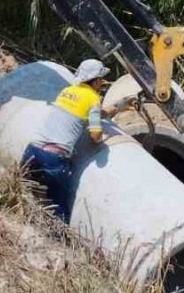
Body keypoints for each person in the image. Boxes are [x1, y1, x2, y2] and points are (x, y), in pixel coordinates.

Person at [20, 59, 132, 222]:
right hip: (54, 159)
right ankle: (57, 241)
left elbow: (86, 113)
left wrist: (118, 106)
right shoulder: (93, 99)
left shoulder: (68, 91)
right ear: (95, 81)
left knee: (21, 194)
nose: (102, 83)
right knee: (59, 210)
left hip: (32, 150)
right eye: (101, 80)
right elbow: (95, 137)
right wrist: (105, 138)